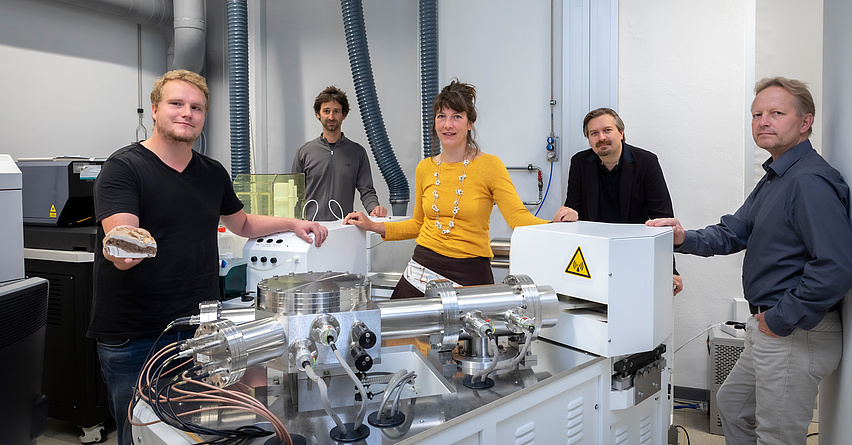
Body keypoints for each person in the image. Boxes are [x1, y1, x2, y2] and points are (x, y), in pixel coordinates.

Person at [88, 70, 328, 445]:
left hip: (196, 329)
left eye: (196, 107)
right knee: (140, 434)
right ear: (155, 110)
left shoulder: (211, 172)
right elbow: (122, 242)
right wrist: (126, 246)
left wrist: (294, 223)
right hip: (135, 333)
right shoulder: (125, 167)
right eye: (176, 104)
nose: (187, 113)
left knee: (191, 432)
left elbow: (243, 223)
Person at [648, 77, 852, 445]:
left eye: (777, 113)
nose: (764, 121)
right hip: (768, 325)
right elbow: (734, 231)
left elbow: (835, 267)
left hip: (794, 329)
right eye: (757, 114)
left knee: (777, 436)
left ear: (805, 121)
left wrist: (778, 320)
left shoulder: (809, 180)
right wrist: (681, 237)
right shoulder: (777, 176)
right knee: (731, 404)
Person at [344, 79, 577, 298]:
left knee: (468, 341)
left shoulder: (490, 165)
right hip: (422, 266)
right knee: (397, 336)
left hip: (470, 272)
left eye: (457, 116)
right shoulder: (425, 168)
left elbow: (517, 217)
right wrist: (373, 225)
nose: (448, 124)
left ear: (470, 123)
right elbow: (418, 224)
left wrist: (554, 225)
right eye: (441, 116)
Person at [564, 107, 683, 295]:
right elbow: (574, 214)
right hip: (594, 260)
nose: (601, 137)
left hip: (637, 256)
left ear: (621, 132)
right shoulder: (579, 163)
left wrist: (668, 270)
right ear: (589, 139)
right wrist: (565, 217)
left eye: (607, 130)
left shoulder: (646, 162)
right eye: (594, 133)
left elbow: (663, 220)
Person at [292, 85, 387, 221]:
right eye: (326, 111)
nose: (331, 116)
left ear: (344, 115)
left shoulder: (357, 152)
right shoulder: (304, 152)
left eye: (336, 111)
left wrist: (375, 208)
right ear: (318, 114)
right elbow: (294, 194)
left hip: (343, 228)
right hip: (310, 229)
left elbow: (367, 191)